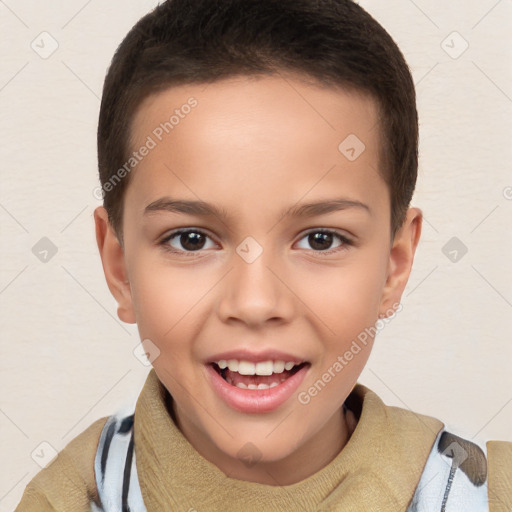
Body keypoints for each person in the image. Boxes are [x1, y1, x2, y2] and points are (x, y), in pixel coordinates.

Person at [15, 0, 511, 510]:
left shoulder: (491, 495)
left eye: (321, 239)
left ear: (394, 265)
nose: (254, 303)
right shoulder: (63, 499)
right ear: (119, 268)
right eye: (191, 239)